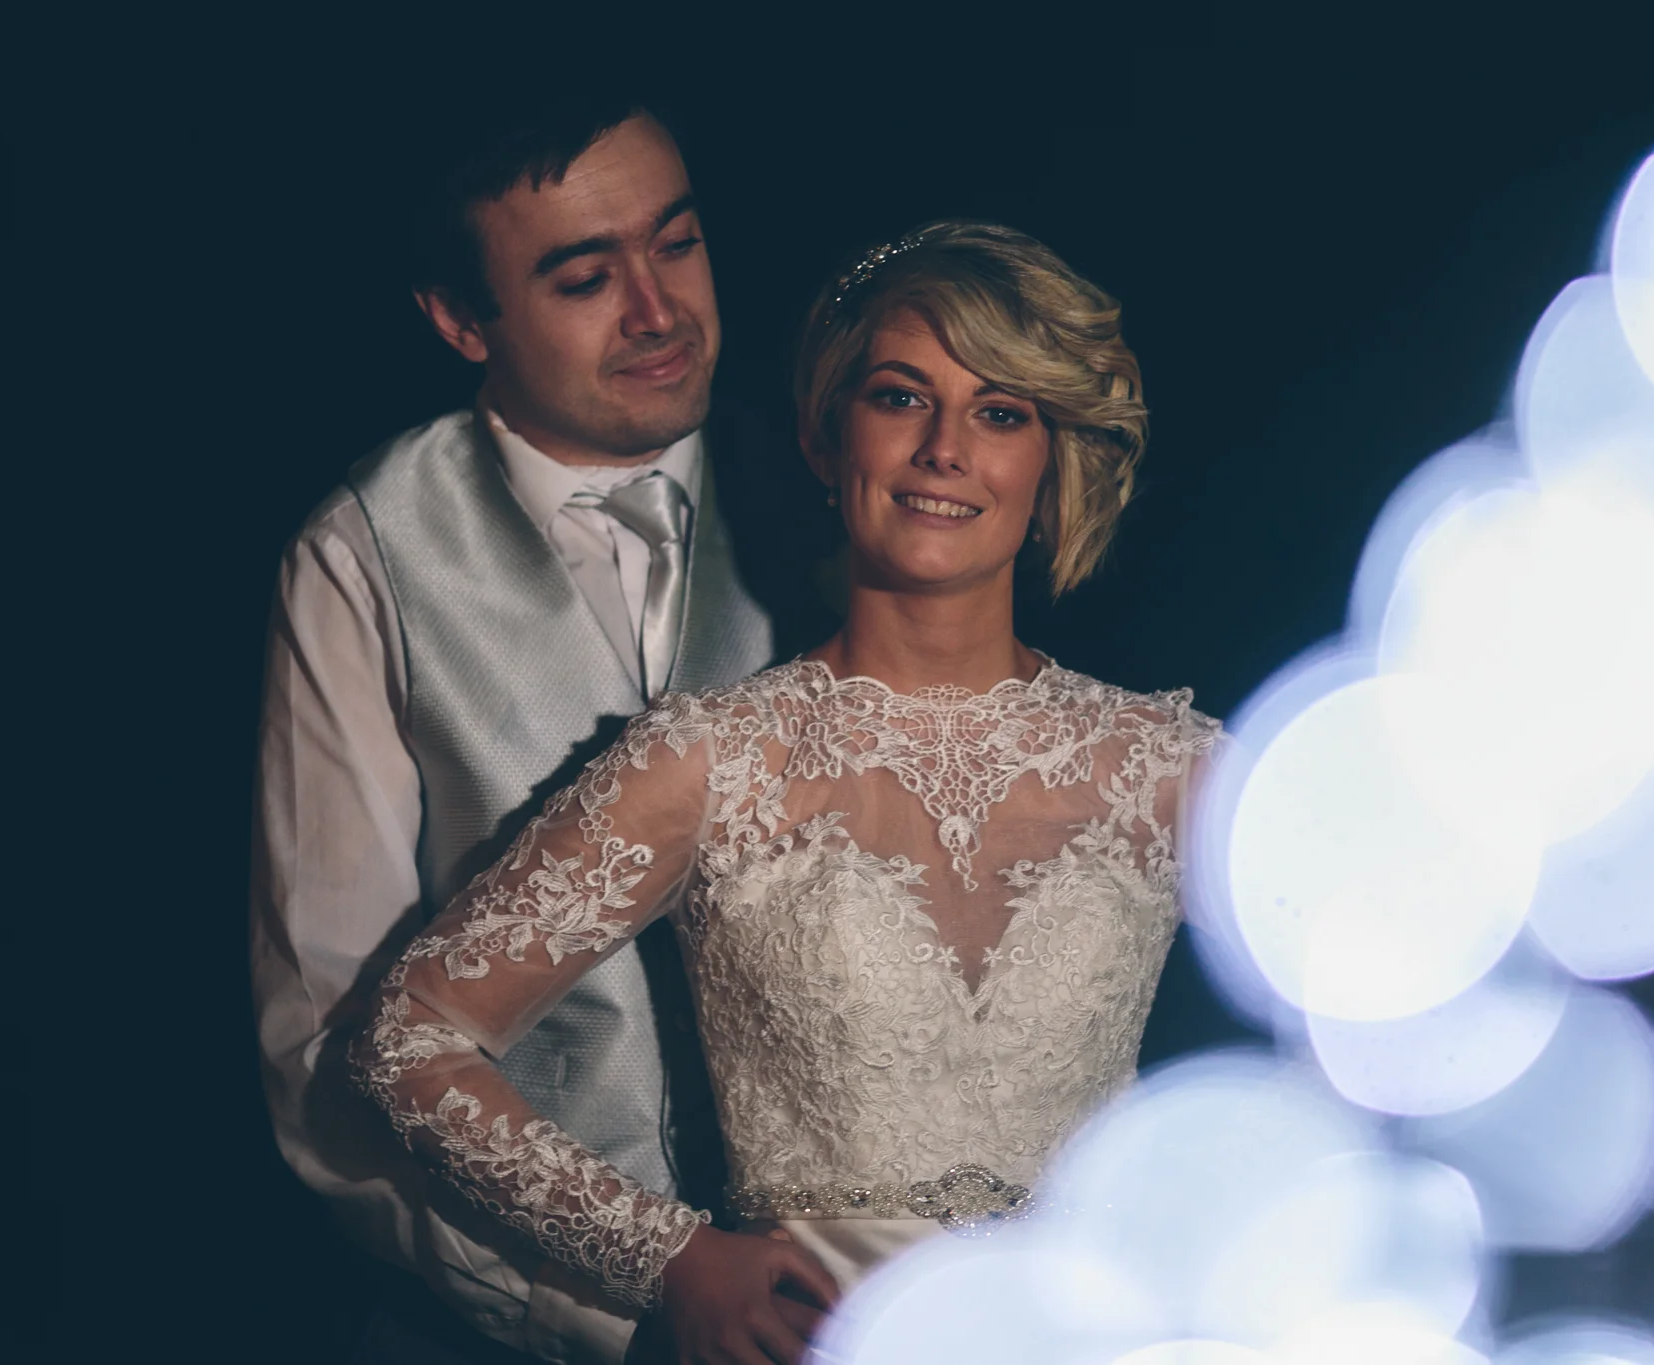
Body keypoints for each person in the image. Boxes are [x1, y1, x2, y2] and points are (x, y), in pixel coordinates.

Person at [353, 221, 1221, 1365]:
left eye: (1001, 412)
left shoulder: (1171, 765)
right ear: (827, 436)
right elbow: (412, 1040)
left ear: (1049, 460)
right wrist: (671, 1260)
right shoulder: (711, 763)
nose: (945, 450)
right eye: (902, 399)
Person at [249, 93, 805, 1363]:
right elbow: (322, 1057)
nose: (658, 312)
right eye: (582, 278)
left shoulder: (838, 490)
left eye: (676, 243)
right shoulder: (363, 555)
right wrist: (602, 1307)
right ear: (458, 321)